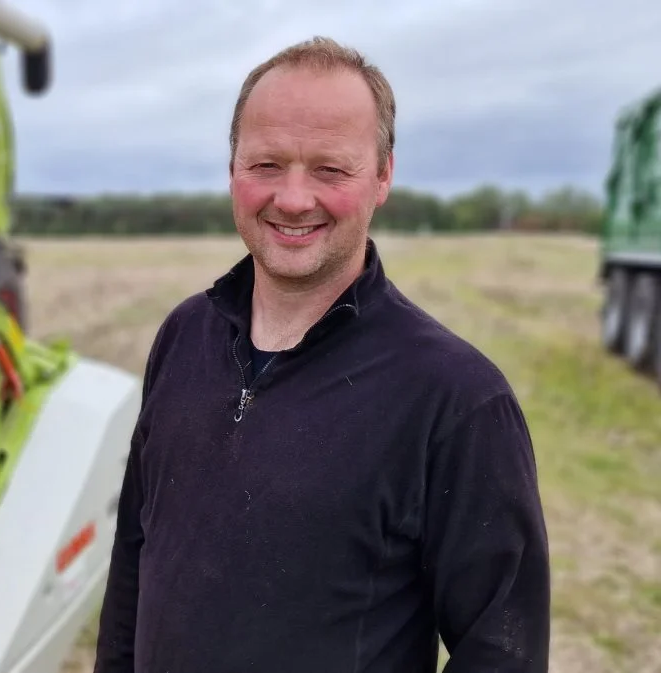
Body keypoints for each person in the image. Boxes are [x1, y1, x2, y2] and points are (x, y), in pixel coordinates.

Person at [93, 36, 550, 672]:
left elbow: (501, 652)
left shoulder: (457, 399)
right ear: (232, 169)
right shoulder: (184, 336)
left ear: (384, 176)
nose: (294, 198)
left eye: (330, 169)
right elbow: (135, 560)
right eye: (266, 164)